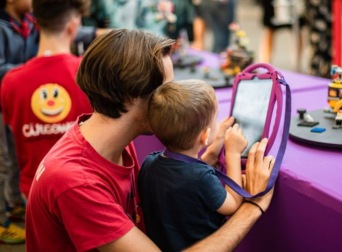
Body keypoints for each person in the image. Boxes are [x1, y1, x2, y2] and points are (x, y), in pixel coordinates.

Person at [26, 28, 275, 251]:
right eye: (167, 90)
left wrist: (208, 158)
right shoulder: (76, 182)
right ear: (133, 96)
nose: (178, 99)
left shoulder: (114, 143)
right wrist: (254, 207)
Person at [139, 80, 252, 251]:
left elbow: (182, 174)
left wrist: (214, 147)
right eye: (215, 119)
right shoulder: (201, 178)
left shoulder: (149, 163)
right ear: (204, 136)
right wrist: (233, 153)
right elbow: (233, 204)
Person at [1, 0, 93, 200]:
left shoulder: (11, 82)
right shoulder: (90, 75)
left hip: (32, 194)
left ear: (38, 22)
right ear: (73, 25)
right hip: (85, 190)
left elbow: (10, 154)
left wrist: (12, 198)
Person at [0, 0, 37, 244]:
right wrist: (33, 70)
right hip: (0, 104)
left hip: (17, 102)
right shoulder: (1, 26)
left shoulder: (30, 23)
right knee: (2, 160)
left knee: (14, 158)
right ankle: (1, 222)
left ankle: (12, 203)